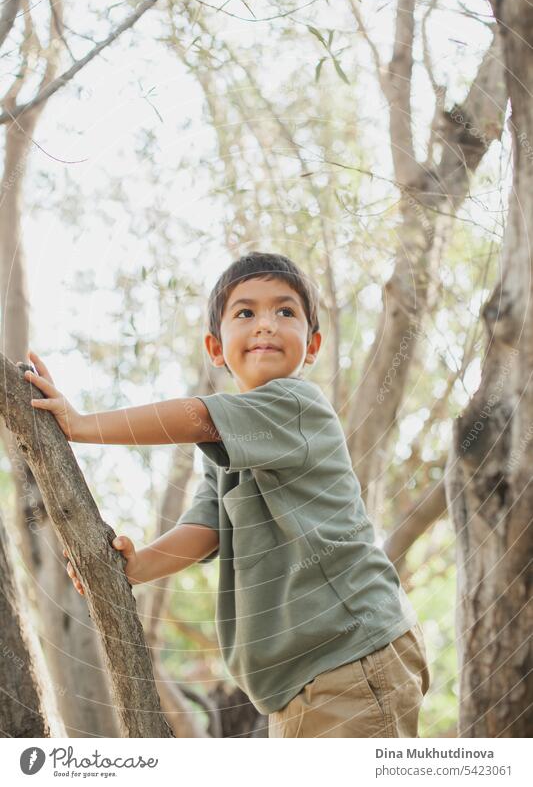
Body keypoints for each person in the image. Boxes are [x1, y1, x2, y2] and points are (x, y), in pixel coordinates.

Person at [24, 250, 430, 738]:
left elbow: (195, 415)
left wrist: (82, 426)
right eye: (245, 313)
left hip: (351, 656)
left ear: (313, 343)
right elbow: (206, 528)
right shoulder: (232, 448)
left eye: (286, 312)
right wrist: (138, 566)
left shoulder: (296, 404)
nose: (266, 325)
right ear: (215, 348)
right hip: (300, 682)